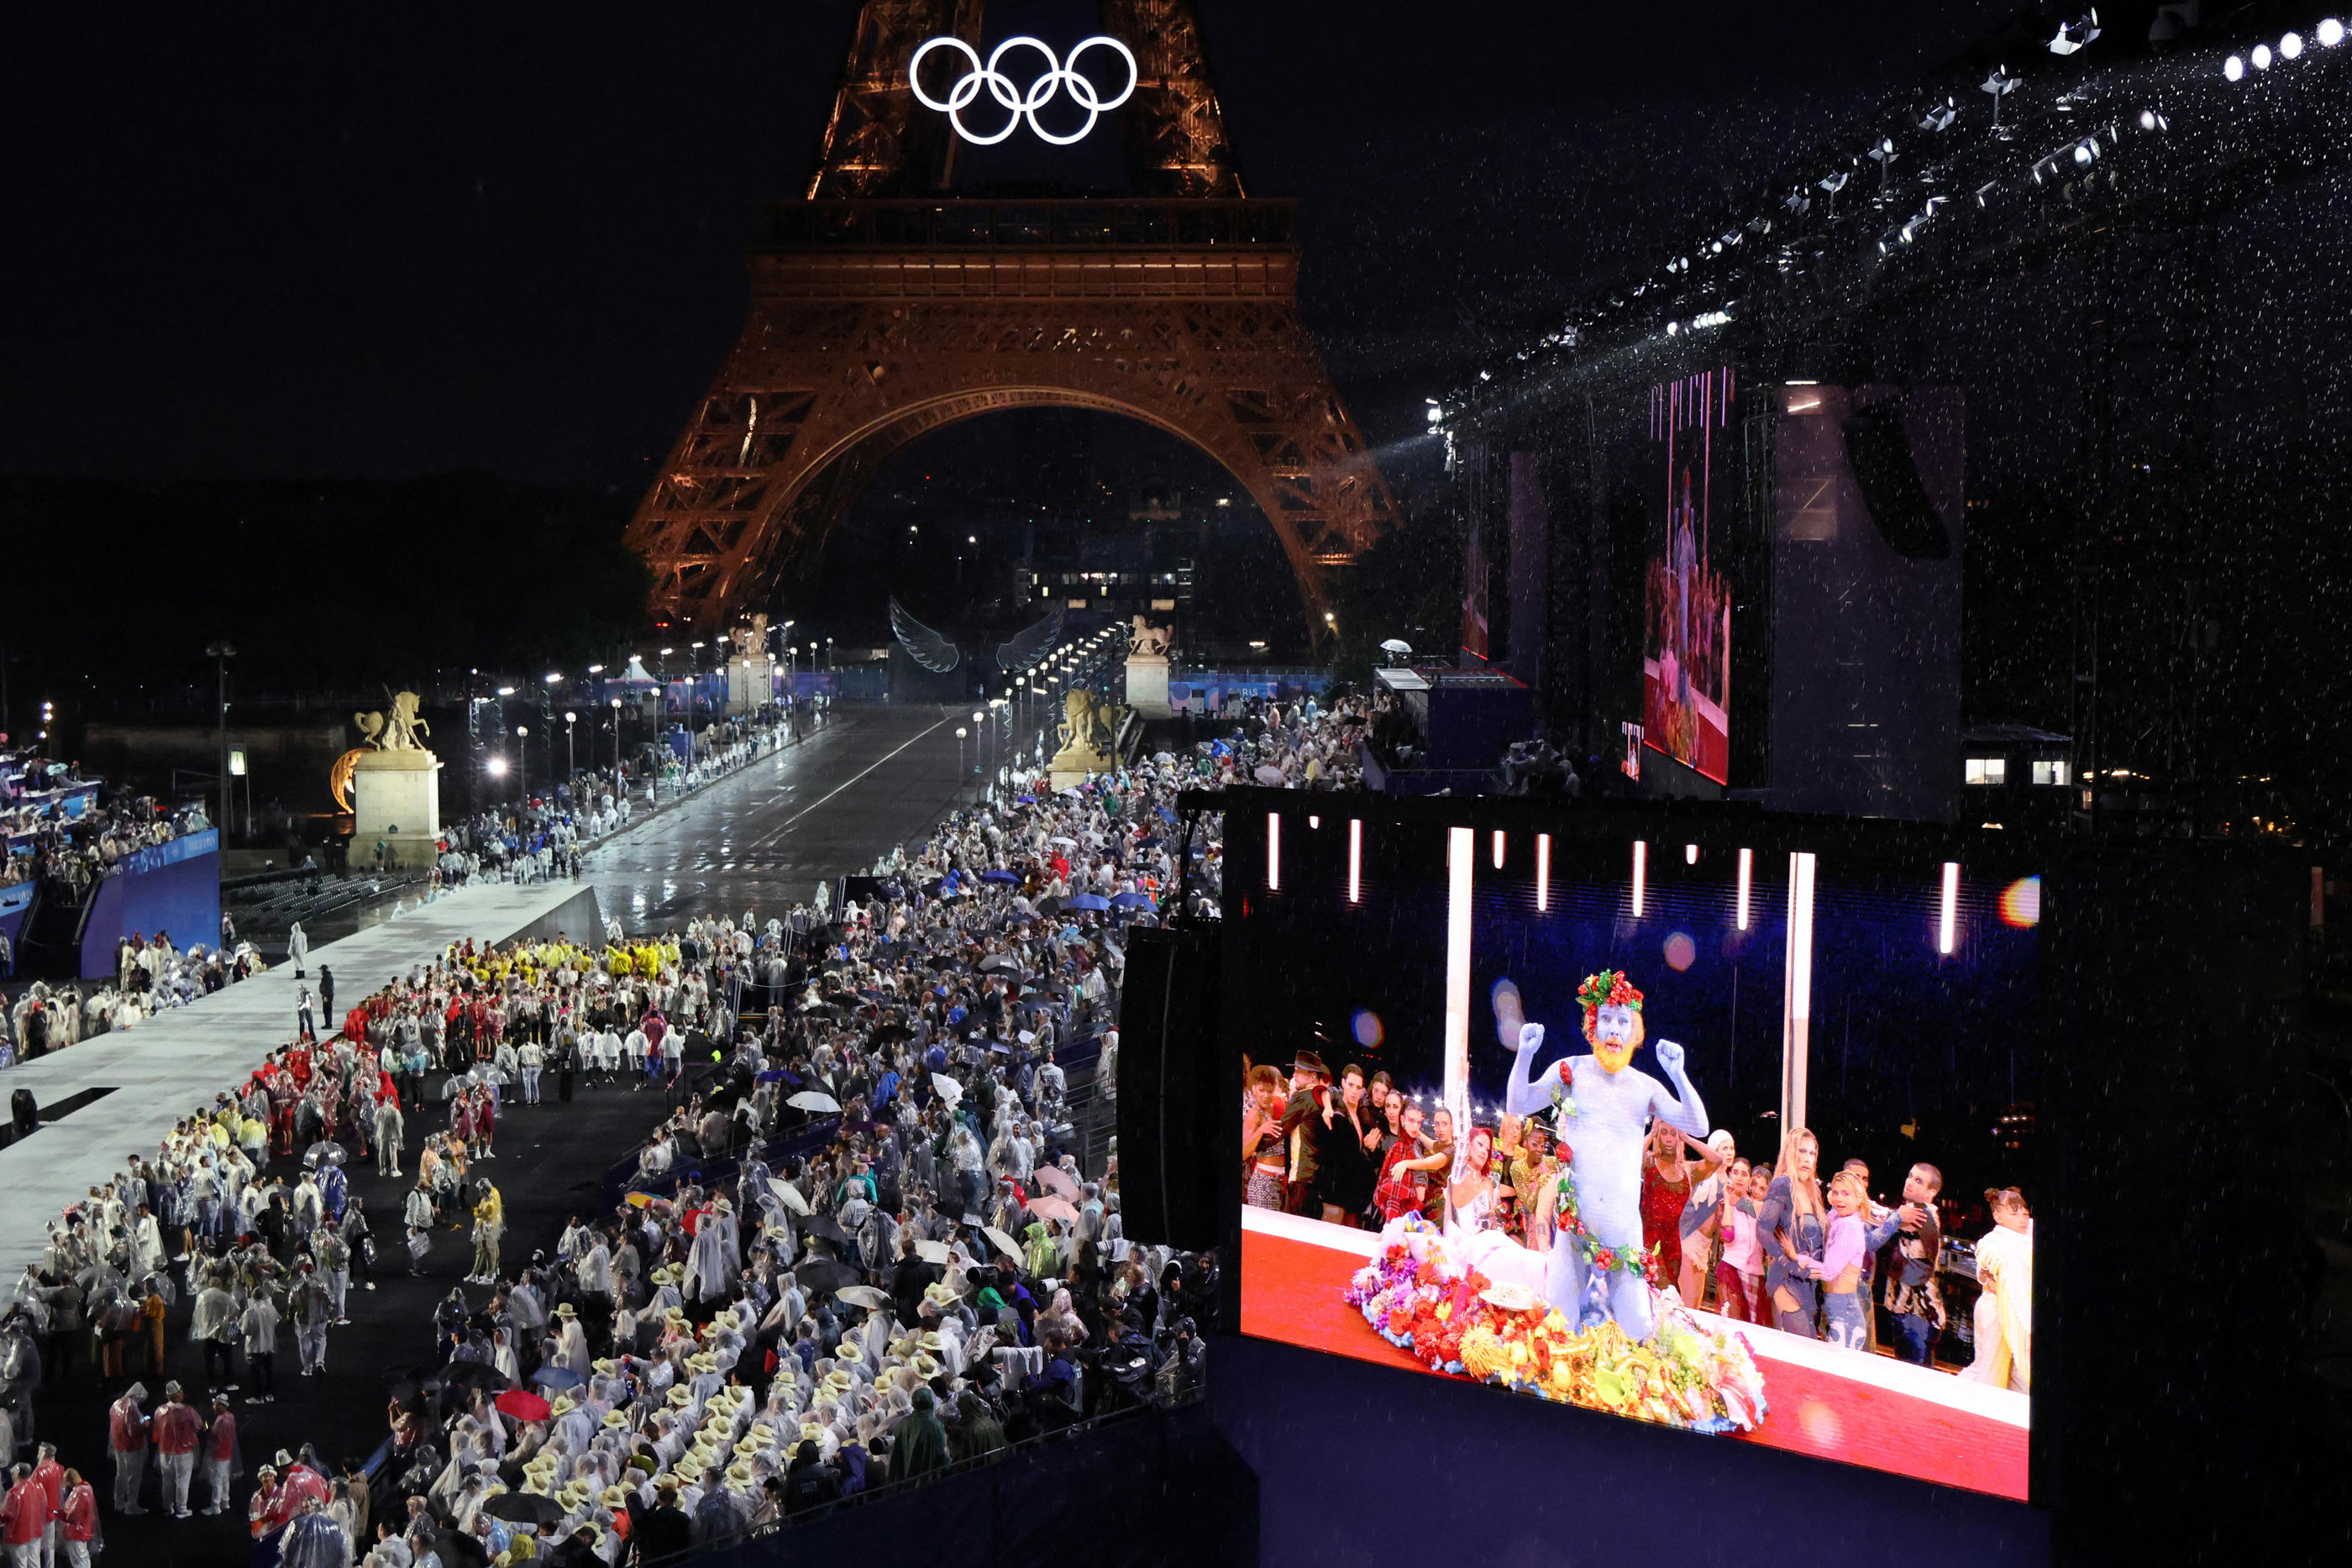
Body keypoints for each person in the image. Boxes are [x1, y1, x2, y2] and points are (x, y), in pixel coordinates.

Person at [1872, 1162, 1947, 1366]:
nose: (1910, 1183)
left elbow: (1878, 1217)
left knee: (1912, 1375)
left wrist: (1853, 1196)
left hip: (1916, 1313)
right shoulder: (1917, 1213)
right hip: (1914, 1312)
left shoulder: (1920, 1215)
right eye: (1910, 1176)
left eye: (1918, 1181)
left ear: (1930, 1193)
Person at [1758, 1128, 1827, 1339]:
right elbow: (1762, 1228)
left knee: (1809, 1348)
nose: (1808, 1159)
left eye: (1812, 1153)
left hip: (1808, 1283)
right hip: (1786, 1278)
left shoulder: (1812, 1191)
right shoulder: (1783, 1183)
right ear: (1791, 1152)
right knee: (1804, 1348)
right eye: (1802, 1151)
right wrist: (1789, 1262)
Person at [1966, 1188, 2033, 1392]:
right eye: (2014, 1213)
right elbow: (1988, 1261)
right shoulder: (1992, 1242)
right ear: (1997, 1216)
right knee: (1990, 1372)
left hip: (2019, 1313)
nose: (2022, 1218)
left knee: (2019, 1376)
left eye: (2024, 1213)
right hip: (1997, 1310)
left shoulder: (2027, 1238)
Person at [1809, 1170, 1872, 1350]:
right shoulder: (1837, 1217)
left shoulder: (1849, 1227)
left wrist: (1795, 1257)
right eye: (1836, 1192)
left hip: (1845, 1315)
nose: (1839, 1199)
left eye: (1846, 1194)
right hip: (1835, 1308)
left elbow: (1828, 1272)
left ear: (1858, 1198)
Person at [149, 1382, 201, 1519]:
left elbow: (156, 1431)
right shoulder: (188, 1411)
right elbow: (199, 1425)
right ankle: (182, 1509)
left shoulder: (159, 1411)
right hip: (184, 1453)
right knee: (182, 1482)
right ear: (179, 1394)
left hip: (165, 1452)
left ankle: (167, 1508)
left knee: (167, 1481)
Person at [892, 1387, 951, 1482]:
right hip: (928, 1480)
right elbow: (940, 1454)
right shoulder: (935, 1425)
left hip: (906, 1480)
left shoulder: (904, 1423)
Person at [104, 1385, 146, 1515]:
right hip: (132, 1447)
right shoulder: (131, 1408)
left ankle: (119, 1502)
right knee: (134, 1476)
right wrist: (145, 1425)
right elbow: (134, 1430)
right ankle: (131, 1505)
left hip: (118, 1445)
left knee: (121, 1474)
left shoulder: (116, 1404)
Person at [0, 1465, 49, 1568]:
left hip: (18, 1534)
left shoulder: (13, 1493)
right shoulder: (39, 1487)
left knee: (20, 1563)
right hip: (36, 1531)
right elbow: (43, 1505)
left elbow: (7, 1515)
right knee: (35, 1561)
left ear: (17, 1474)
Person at [201, 1395, 239, 1516]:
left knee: (217, 1479)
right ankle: (225, 1501)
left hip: (219, 1453)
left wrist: (207, 1429)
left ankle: (215, 1505)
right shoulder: (230, 1417)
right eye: (214, 1404)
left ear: (224, 1406)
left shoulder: (221, 1420)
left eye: (217, 1405)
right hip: (227, 1452)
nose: (215, 1407)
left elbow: (216, 1437)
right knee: (224, 1478)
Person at [50, 1474, 92, 1568]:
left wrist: (56, 1512)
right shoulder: (86, 1489)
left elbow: (72, 1516)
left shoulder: (80, 1493)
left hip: (75, 1534)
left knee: (79, 1561)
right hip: (82, 1531)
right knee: (84, 1560)